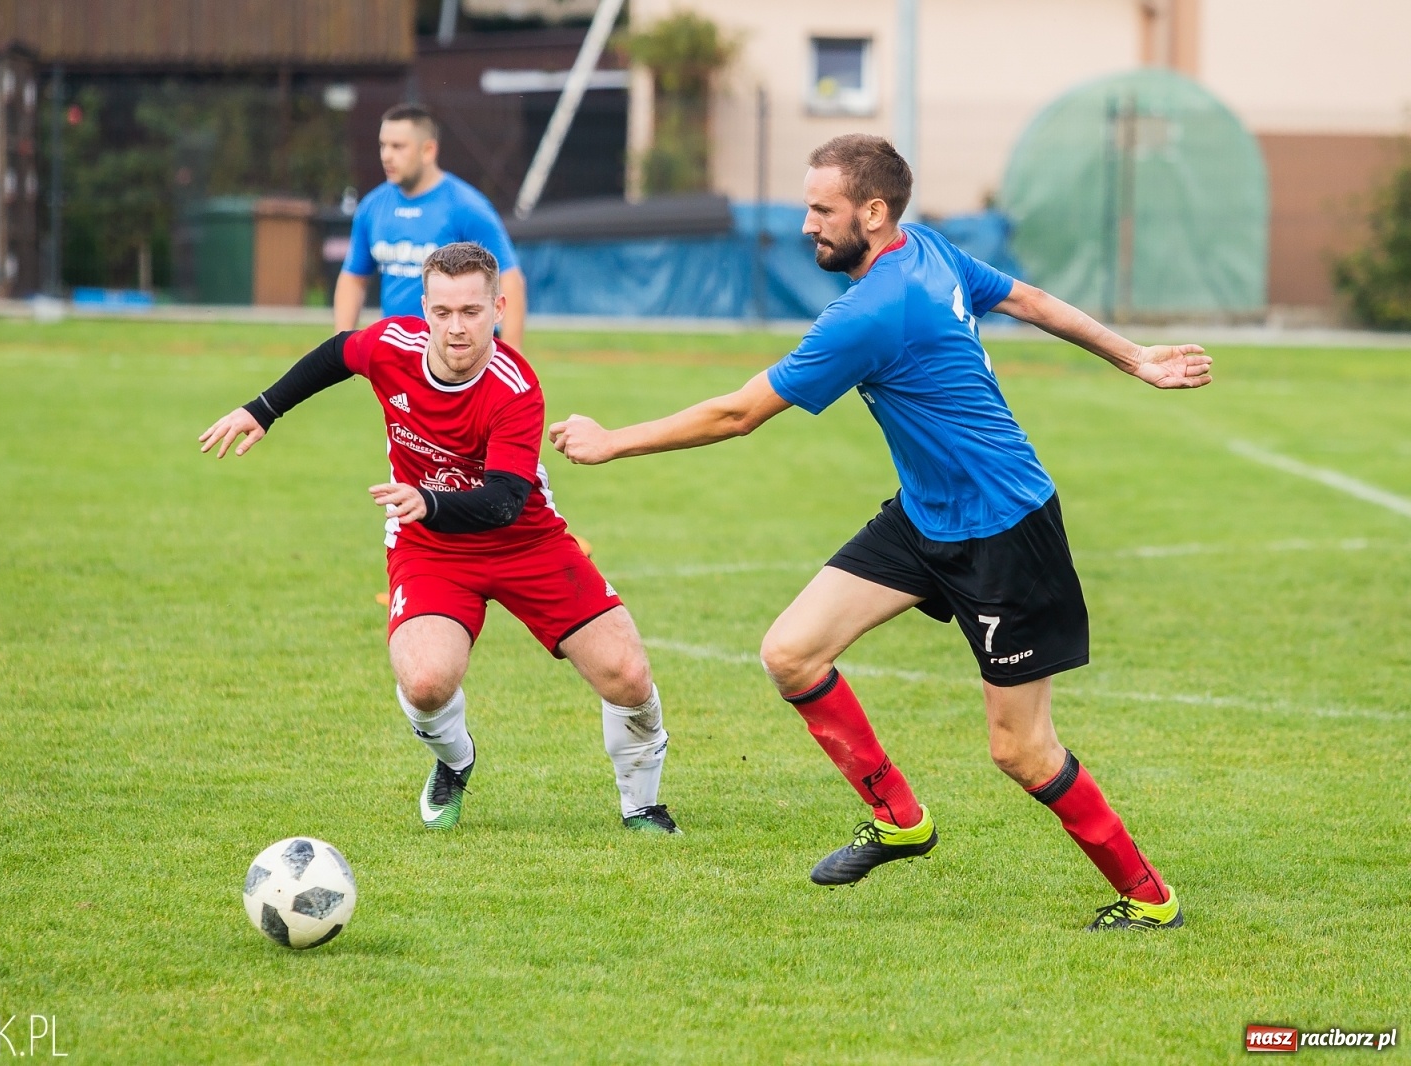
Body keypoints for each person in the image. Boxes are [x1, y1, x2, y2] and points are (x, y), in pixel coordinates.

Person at [548, 134, 1213, 930]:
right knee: (792, 653)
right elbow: (1027, 300)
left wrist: (615, 440)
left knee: (1021, 750)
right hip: (926, 515)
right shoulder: (922, 248)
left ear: (873, 211)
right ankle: (900, 818)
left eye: (822, 210)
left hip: (1005, 531)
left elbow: (739, 414)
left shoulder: (871, 310)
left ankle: (1149, 898)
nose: (807, 226)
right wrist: (1132, 355)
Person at [202, 242, 677, 835]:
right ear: (423, 307)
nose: (457, 328)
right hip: (429, 546)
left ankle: (642, 807)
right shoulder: (390, 345)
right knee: (425, 682)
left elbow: (504, 502)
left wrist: (427, 499)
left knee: (627, 675)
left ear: (498, 308)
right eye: (444, 311)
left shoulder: (515, 387)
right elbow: (333, 355)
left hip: (526, 540)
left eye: (472, 312)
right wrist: (263, 409)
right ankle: (456, 761)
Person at [335, 104, 528, 350]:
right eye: (383, 145)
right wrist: (341, 350)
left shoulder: (466, 207)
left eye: (398, 146)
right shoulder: (372, 207)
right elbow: (353, 278)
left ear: (428, 150)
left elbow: (510, 279)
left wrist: (511, 357)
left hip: (458, 352)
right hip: (399, 355)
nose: (386, 156)